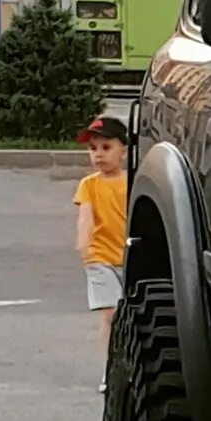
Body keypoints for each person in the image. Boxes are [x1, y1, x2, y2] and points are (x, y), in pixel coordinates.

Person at [74, 115, 129, 393]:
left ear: (124, 151)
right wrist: (83, 244)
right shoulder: (89, 184)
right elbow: (85, 215)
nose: (98, 155)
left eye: (106, 148)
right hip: (99, 257)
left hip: (129, 257)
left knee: (129, 314)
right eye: (93, 149)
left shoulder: (132, 182)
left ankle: (131, 366)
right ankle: (110, 371)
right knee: (110, 313)